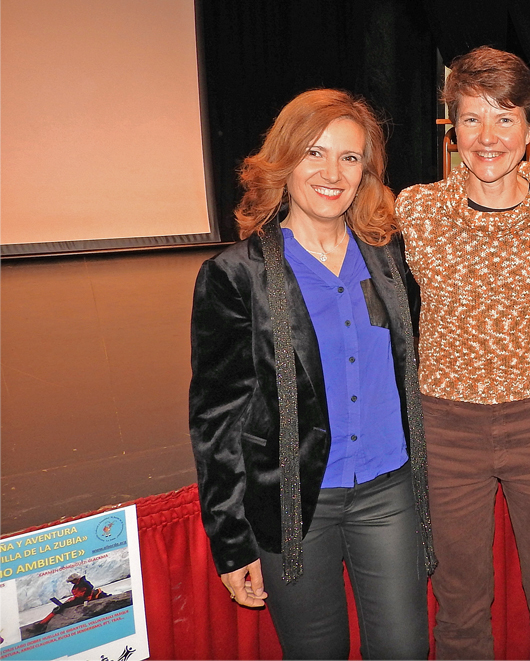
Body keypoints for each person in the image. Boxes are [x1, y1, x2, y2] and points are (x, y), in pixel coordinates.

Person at [189, 89, 436, 660]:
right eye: (314, 153)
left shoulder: (393, 260)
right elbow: (217, 421)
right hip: (296, 503)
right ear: (285, 161)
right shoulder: (236, 275)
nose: (332, 173)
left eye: (349, 158)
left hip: (389, 490)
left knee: (405, 650)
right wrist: (232, 541)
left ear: (365, 171)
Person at [396, 46, 530, 660]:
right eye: (472, 117)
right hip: (446, 428)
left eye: (505, 118)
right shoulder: (416, 210)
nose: (488, 136)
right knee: (459, 602)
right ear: (452, 129)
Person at [37, 573, 108, 625]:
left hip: (81, 600)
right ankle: (43, 622)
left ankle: (42, 623)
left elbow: (88, 591)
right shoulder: (79, 584)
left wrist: (87, 599)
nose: (71, 582)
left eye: (71, 581)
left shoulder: (84, 584)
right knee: (62, 606)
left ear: (75, 579)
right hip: (80, 599)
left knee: (60, 608)